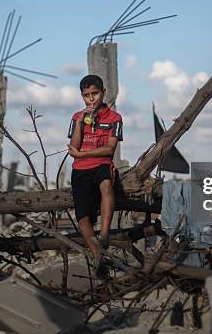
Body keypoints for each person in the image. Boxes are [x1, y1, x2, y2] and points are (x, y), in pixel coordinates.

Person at [67, 74, 123, 276]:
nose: (91, 99)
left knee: (106, 185)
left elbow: (109, 150)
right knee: (82, 218)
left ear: (103, 93)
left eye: (95, 94)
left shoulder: (115, 118)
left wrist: (83, 154)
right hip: (80, 170)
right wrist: (82, 122)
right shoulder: (77, 117)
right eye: (86, 95)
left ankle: (105, 234)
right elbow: (73, 146)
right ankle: (98, 255)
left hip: (101, 164)